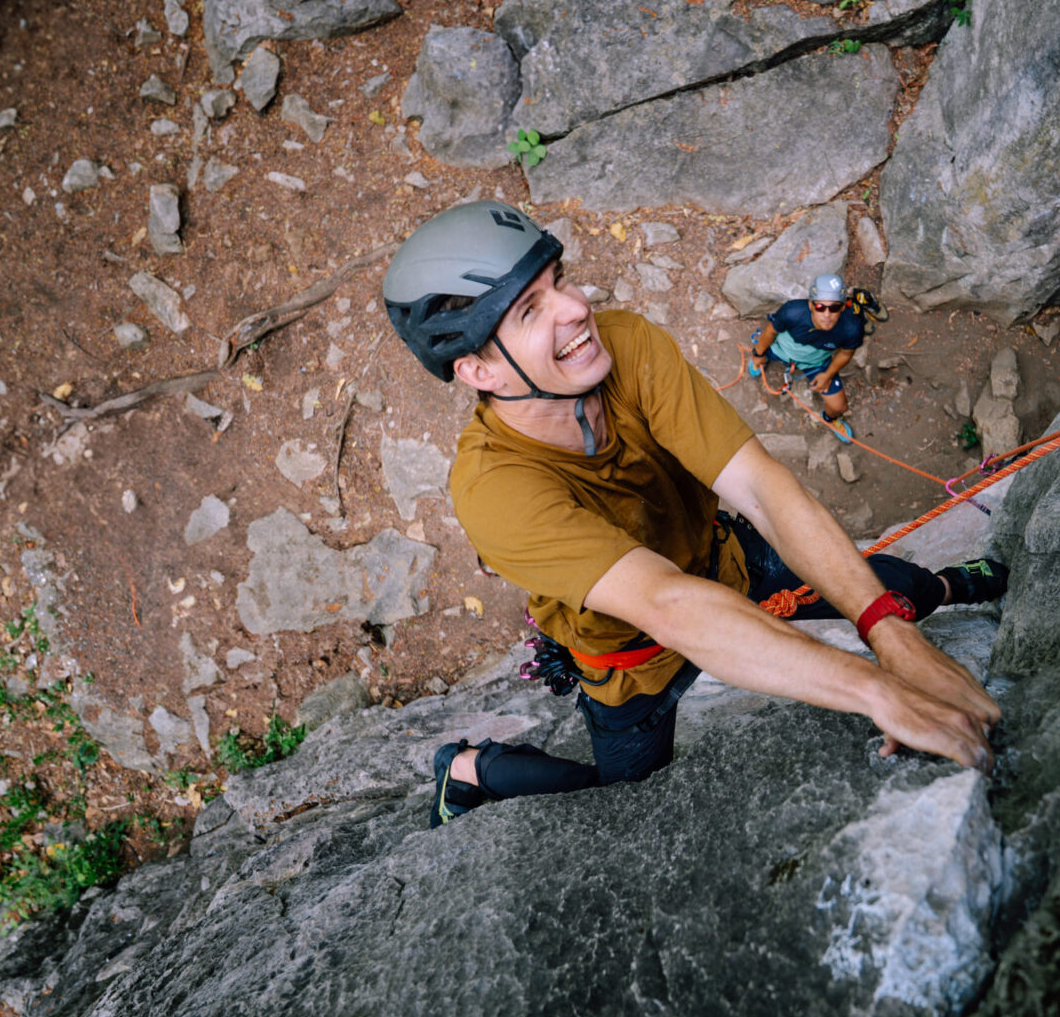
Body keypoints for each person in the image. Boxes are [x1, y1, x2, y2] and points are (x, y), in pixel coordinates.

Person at [382, 201, 1009, 827]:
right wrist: (881, 692)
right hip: (633, 657)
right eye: (529, 311)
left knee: (896, 592)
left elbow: (761, 488)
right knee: (623, 803)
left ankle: (954, 583)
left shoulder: (624, 344)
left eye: (559, 282)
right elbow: (667, 604)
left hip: (725, 562)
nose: (576, 309)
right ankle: (471, 768)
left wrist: (892, 638)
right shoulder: (495, 489)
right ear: (477, 370)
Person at [747, 272, 867, 443]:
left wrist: (827, 375)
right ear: (811, 305)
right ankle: (763, 359)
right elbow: (771, 331)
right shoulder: (792, 312)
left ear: (842, 308)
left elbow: (846, 353)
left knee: (839, 406)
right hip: (780, 349)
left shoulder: (852, 328)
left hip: (816, 362)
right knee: (761, 353)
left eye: (834, 308)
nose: (827, 314)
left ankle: (831, 419)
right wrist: (758, 354)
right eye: (820, 307)